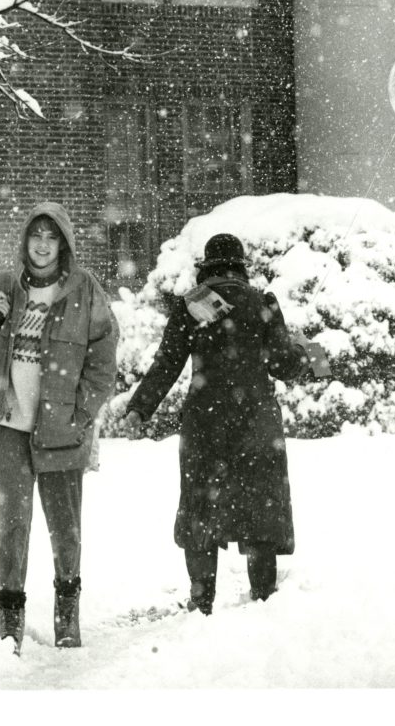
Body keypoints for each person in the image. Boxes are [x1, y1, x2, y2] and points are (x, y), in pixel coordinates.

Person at [0, 202, 118, 653]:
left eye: (51, 237)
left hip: (62, 429)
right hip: (9, 426)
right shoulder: (4, 286)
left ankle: (67, 615)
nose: (42, 245)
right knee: (12, 524)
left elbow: (104, 358)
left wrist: (80, 413)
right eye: (36, 236)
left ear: (62, 244)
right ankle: (11, 621)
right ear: (25, 241)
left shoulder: (85, 291)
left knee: (65, 526)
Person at [122, 233, 308, 616]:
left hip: (206, 421)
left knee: (201, 509)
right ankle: (263, 596)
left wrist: (140, 408)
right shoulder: (263, 302)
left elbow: (167, 364)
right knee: (261, 505)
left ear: (207, 266)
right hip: (257, 422)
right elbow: (282, 365)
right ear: (241, 266)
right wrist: (301, 354)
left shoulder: (192, 305)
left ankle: (201, 598)